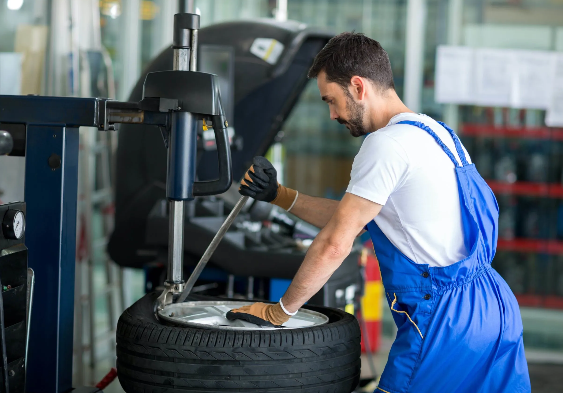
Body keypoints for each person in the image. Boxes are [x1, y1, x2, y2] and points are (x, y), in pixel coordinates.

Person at [227, 32, 531, 393]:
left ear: (358, 86)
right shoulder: (436, 132)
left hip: (444, 323)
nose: (332, 114)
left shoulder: (385, 145)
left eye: (332, 100)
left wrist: (280, 311)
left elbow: (335, 243)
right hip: (493, 307)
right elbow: (353, 218)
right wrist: (279, 195)